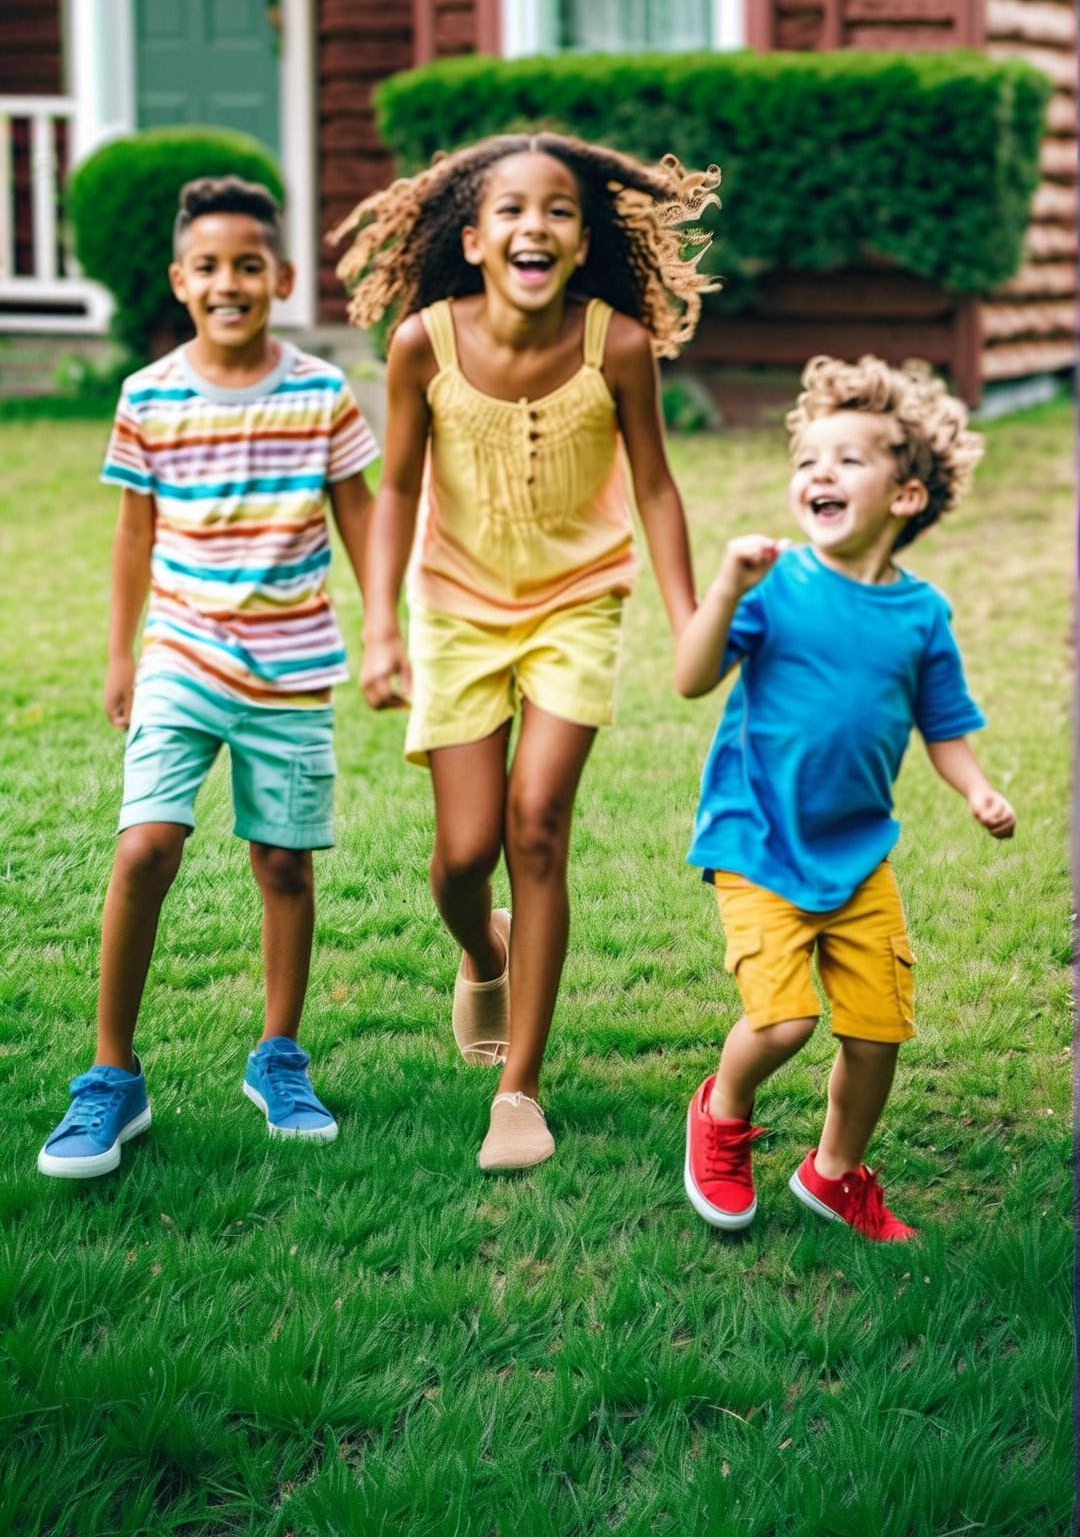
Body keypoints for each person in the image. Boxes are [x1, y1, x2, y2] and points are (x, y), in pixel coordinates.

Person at [336, 131, 717, 1170]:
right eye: (510, 209)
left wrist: (688, 613)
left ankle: (520, 1091)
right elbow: (401, 488)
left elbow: (655, 488)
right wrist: (380, 625)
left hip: (576, 605)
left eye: (555, 209)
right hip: (456, 609)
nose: (532, 225)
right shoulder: (424, 343)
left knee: (536, 827)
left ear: (582, 241)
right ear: (474, 237)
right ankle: (483, 947)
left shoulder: (617, 347)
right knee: (463, 858)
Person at [38, 177, 378, 1178]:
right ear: (180, 280)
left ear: (280, 277)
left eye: (247, 266)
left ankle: (278, 1056)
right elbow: (133, 535)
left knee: (283, 864)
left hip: (293, 663)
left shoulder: (321, 391)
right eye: (208, 267)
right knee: (145, 847)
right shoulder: (148, 395)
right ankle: (111, 1075)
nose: (228, 283)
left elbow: (359, 515)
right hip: (181, 655)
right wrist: (119, 653)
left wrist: (389, 635)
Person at [677, 354, 1015, 1242]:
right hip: (757, 844)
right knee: (783, 1022)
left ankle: (833, 1174)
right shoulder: (774, 584)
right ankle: (722, 1110)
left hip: (858, 854)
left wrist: (976, 788)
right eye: (805, 461)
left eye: (846, 460)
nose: (816, 473)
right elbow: (689, 676)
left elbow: (943, 725)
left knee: (876, 1035)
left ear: (905, 497)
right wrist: (724, 589)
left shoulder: (922, 615)